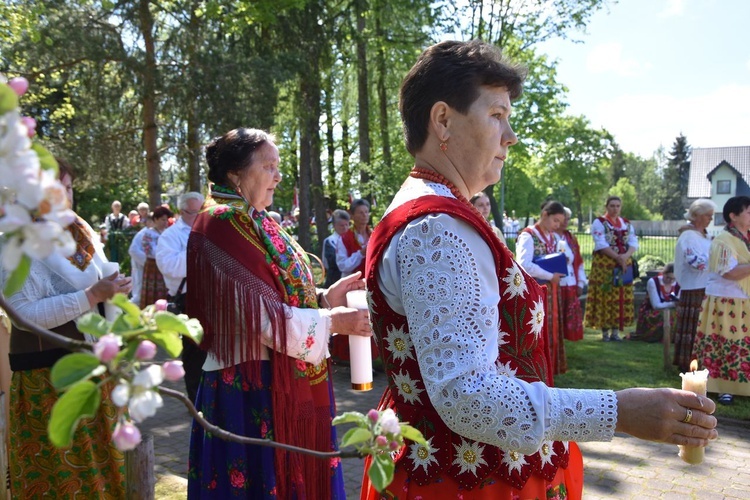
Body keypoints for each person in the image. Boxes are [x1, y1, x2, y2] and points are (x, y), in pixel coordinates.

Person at [361, 40, 717, 499]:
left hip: (465, 468)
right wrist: (618, 411)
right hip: (467, 481)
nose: (510, 136)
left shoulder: (436, 213)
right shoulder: (436, 228)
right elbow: (466, 397)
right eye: (496, 115)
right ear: (443, 119)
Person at [186, 128, 371, 498]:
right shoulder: (221, 223)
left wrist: (324, 296)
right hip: (251, 388)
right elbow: (265, 319)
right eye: (269, 166)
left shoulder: (258, 220)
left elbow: (282, 293)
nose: (278, 176)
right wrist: (334, 321)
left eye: (278, 166)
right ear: (236, 175)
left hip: (277, 380)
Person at [2, 158, 132, 497]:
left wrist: (113, 289)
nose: (65, 195)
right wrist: (91, 296)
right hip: (50, 380)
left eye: (69, 187)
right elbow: (22, 315)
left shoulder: (79, 229)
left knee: (107, 472)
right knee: (63, 479)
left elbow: (100, 279)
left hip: (95, 369)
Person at [691, 195, 750, 406]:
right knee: (724, 343)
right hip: (726, 302)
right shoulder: (723, 240)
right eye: (748, 212)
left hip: (743, 301)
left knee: (743, 343)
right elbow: (728, 272)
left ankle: (742, 385)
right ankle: (724, 388)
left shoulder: (746, 238)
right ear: (733, 216)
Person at [155, 191, 205, 404]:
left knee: (210, 350)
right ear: (182, 212)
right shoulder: (171, 235)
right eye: (194, 213)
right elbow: (169, 266)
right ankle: (196, 401)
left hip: (211, 296)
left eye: (201, 212)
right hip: (188, 299)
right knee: (194, 352)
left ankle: (210, 398)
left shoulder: (209, 230)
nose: (199, 216)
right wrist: (200, 255)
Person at [516, 200, 567, 375]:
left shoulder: (553, 237)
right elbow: (524, 265)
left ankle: (550, 368)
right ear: (545, 215)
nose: (557, 225)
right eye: (555, 220)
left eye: (560, 222)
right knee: (537, 330)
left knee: (550, 328)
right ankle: (536, 370)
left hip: (550, 290)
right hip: (535, 290)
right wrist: (550, 275)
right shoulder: (528, 235)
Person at [584, 195, 639, 342]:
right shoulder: (599, 222)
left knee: (620, 295)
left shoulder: (626, 223)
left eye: (618, 206)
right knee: (605, 295)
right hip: (605, 264)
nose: (615, 209)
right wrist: (618, 257)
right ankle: (605, 332)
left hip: (623, 264)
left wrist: (625, 256)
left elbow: (634, 242)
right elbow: (600, 244)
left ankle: (616, 331)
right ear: (606, 207)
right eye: (612, 206)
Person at [673, 198, 716, 372]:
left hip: (706, 286)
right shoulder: (688, 236)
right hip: (693, 288)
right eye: (708, 215)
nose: (710, 219)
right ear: (697, 215)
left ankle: (701, 362)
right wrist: (718, 263)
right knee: (692, 328)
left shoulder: (705, 237)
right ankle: (688, 363)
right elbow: (695, 262)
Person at [557, 206, 587, 341]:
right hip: (557, 282)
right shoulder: (550, 236)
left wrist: (581, 282)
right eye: (563, 218)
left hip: (571, 281)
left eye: (568, 219)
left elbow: (579, 261)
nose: (565, 222)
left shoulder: (571, 238)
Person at [630, 263, 679, 342]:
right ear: (663, 273)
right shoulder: (653, 282)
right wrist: (673, 304)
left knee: (678, 314)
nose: (670, 281)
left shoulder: (678, 284)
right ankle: (661, 337)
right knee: (667, 315)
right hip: (651, 311)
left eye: (673, 279)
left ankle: (672, 338)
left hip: (671, 310)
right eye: (668, 277)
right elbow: (656, 305)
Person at [139, 206, 172, 308]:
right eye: (162, 220)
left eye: (166, 220)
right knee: (152, 291)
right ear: (155, 219)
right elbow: (149, 251)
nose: (165, 222)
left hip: (165, 266)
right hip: (153, 266)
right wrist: (165, 253)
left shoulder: (168, 233)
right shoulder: (148, 233)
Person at [336, 198, 372, 278]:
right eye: (360, 212)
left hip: (371, 281)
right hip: (351, 283)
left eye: (366, 212)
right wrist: (361, 253)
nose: (364, 215)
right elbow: (342, 266)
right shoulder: (344, 238)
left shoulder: (374, 235)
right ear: (352, 216)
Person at [128, 214, 153, 305]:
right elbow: (133, 250)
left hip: (149, 269)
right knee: (138, 293)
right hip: (140, 268)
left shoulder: (154, 233)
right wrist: (147, 262)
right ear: (149, 222)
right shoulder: (142, 234)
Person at [322, 209, 350, 288]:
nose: (345, 228)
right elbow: (328, 263)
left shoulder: (354, 240)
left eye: (347, 225)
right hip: (334, 281)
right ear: (334, 225)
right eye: (341, 225)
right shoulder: (330, 241)